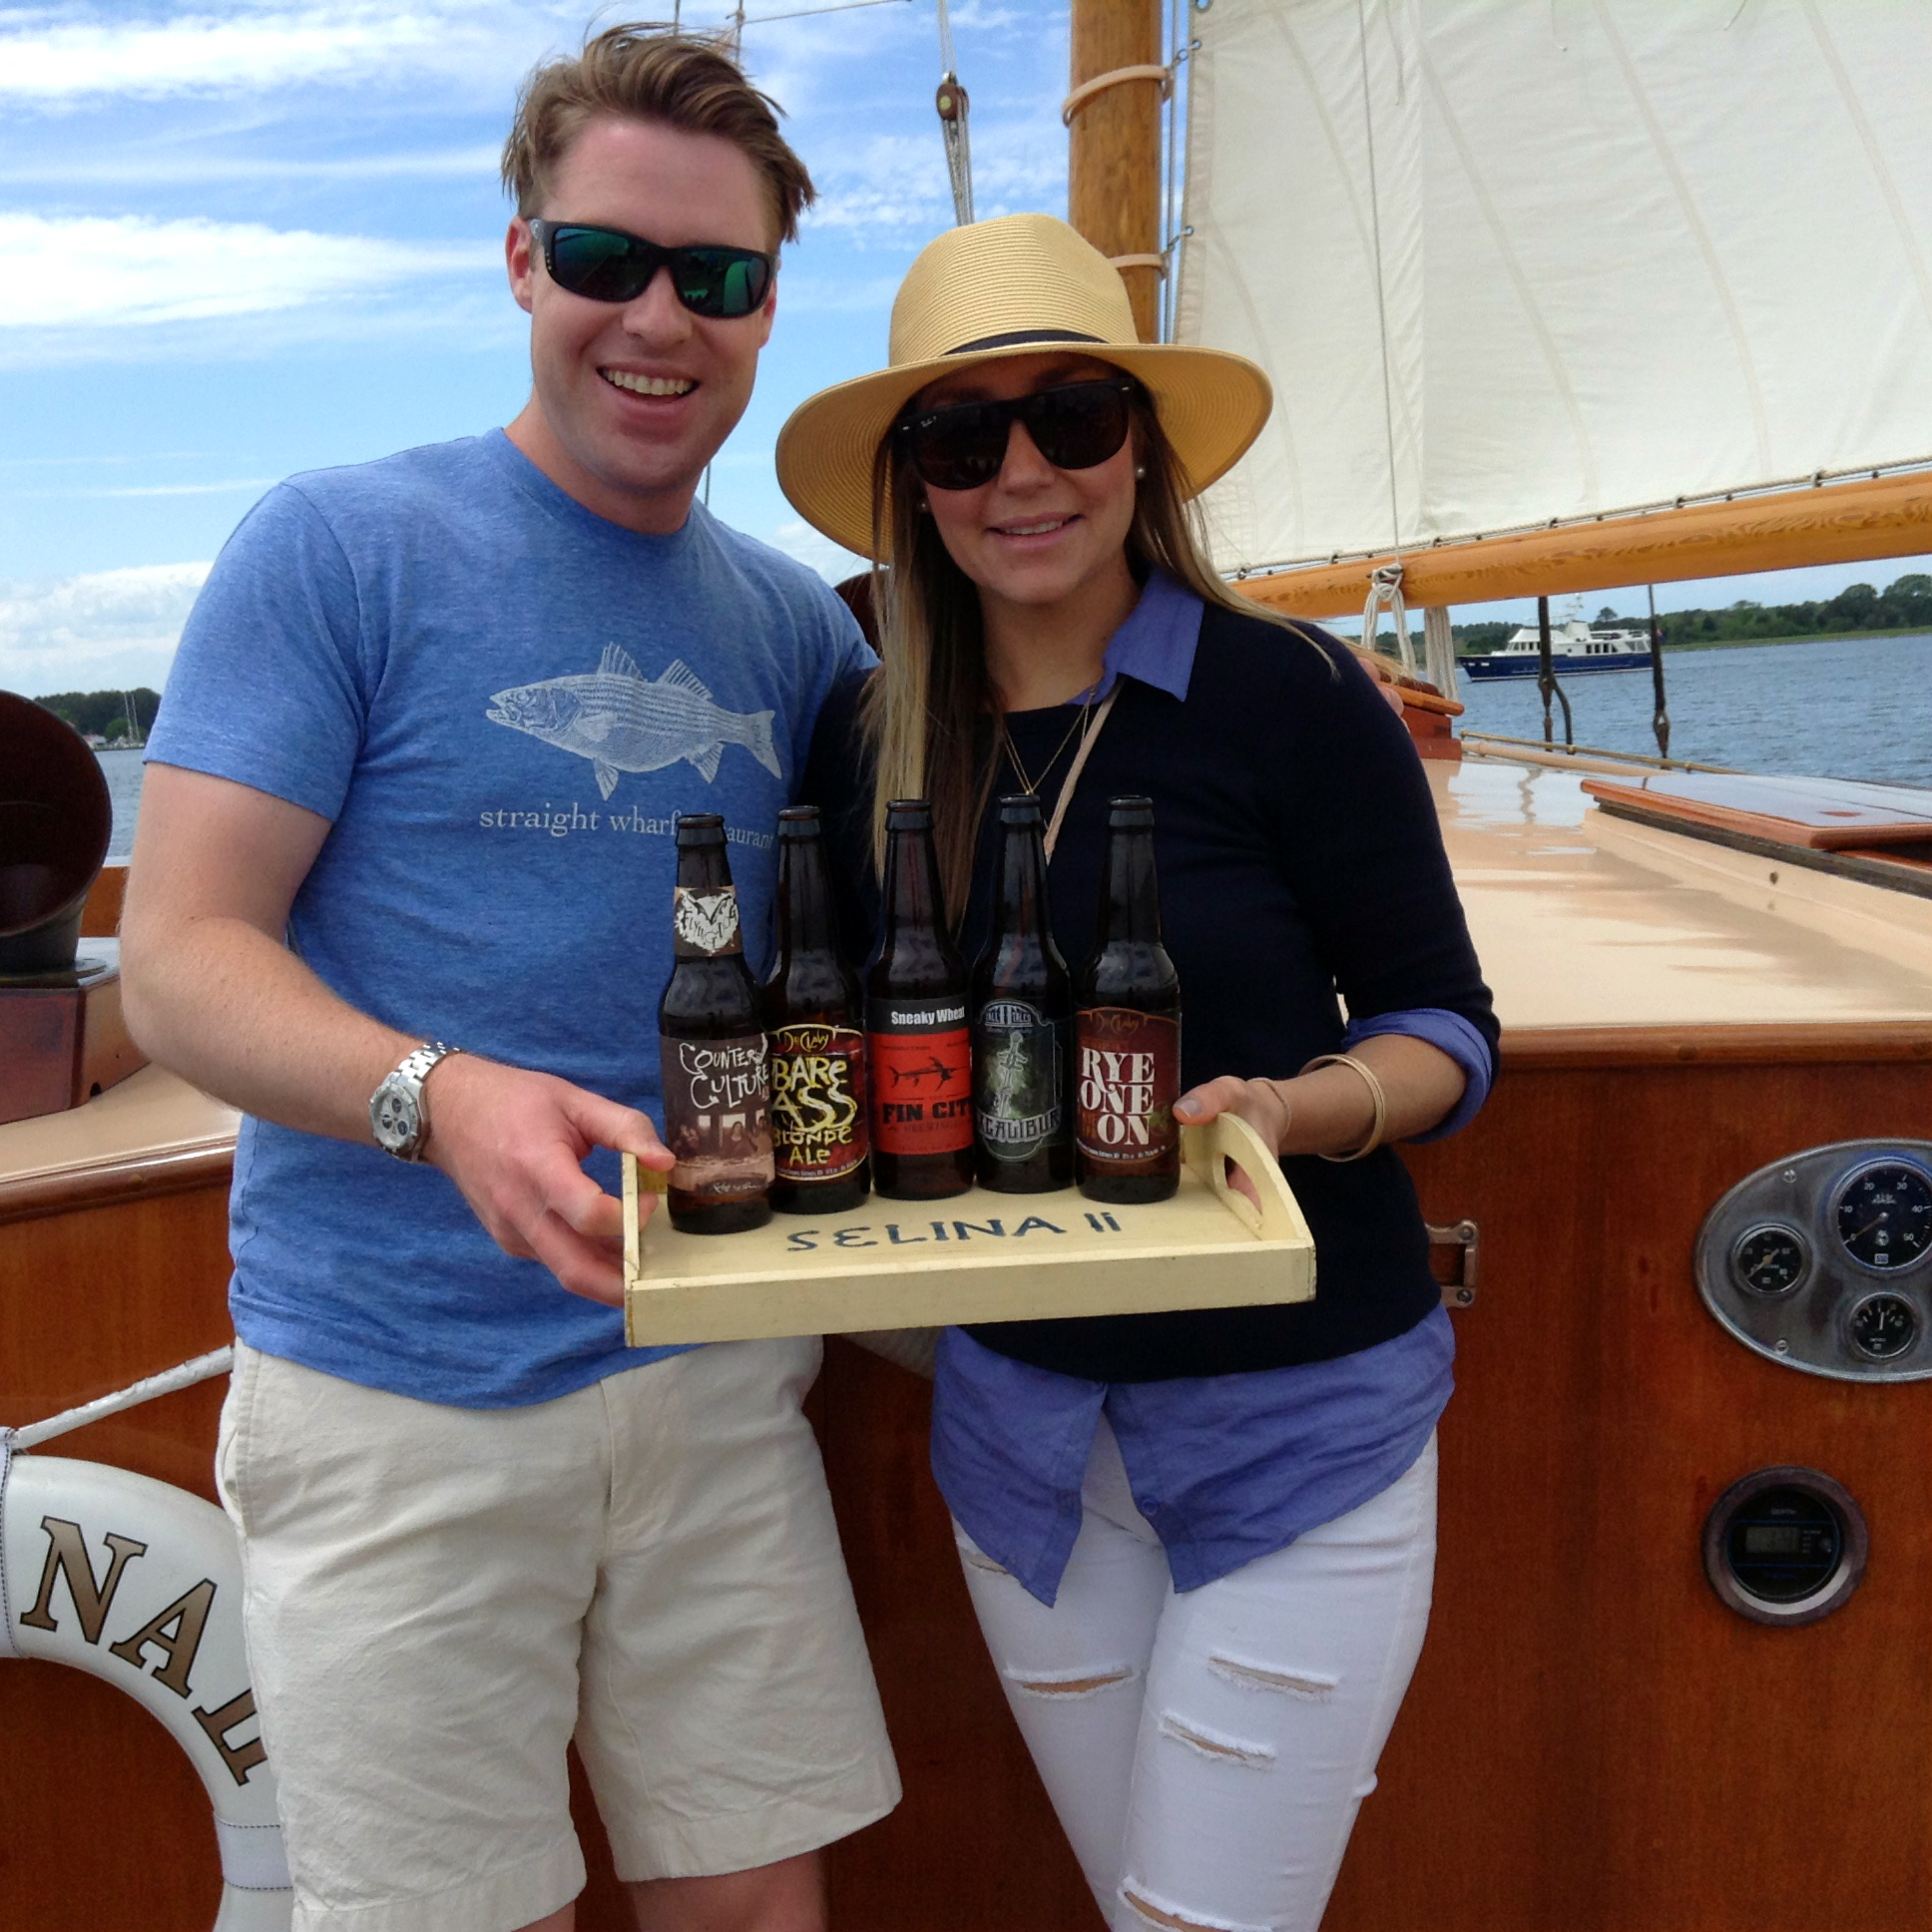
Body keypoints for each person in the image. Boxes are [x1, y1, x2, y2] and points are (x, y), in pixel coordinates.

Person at [120, 28, 897, 1932]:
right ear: (522, 260)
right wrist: (436, 1095)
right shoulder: (338, 547)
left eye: (715, 280)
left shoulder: (789, 630)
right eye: (608, 257)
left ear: (769, 305)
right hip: (398, 1400)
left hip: (714, 1380)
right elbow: (179, 958)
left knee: (758, 1911)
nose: (661, 317)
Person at [776, 214, 1497, 1932]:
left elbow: (1445, 1028)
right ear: (915, 486)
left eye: (1074, 420)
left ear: (1142, 450)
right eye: (964, 437)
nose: (1023, 473)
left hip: (1303, 1425)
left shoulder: (1297, 696)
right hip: (1023, 1443)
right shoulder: (865, 737)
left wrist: (1294, 1107)